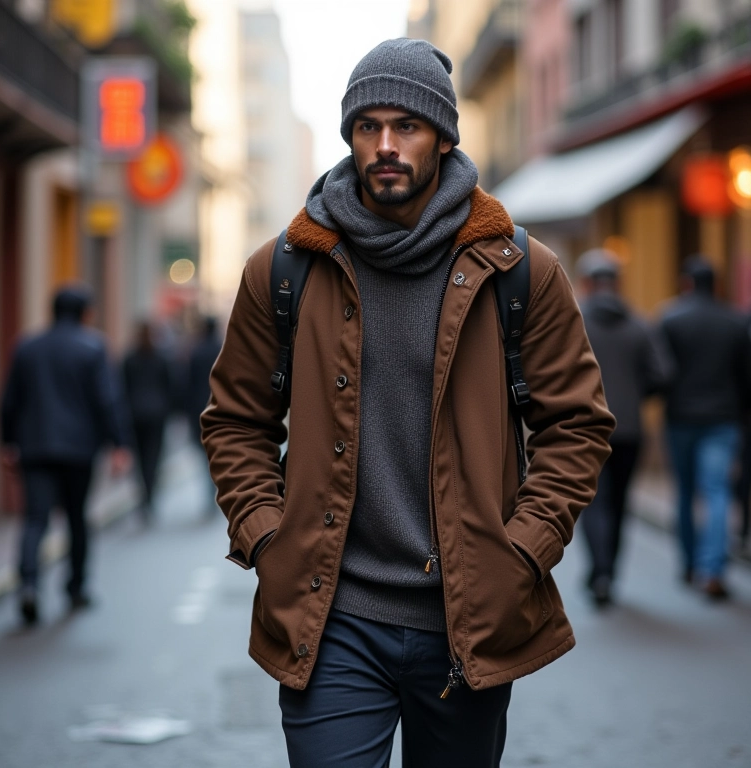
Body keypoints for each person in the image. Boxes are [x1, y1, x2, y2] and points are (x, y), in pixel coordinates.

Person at [202, 39, 614, 767]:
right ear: (350, 137)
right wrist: (270, 537)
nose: (385, 146)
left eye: (407, 126)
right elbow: (236, 419)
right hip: (329, 620)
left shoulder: (519, 270)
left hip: (468, 619)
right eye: (367, 127)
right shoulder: (285, 267)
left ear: (443, 136)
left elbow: (576, 426)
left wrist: (522, 551)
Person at [0, 285, 132, 625]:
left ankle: (28, 585)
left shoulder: (27, 347)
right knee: (77, 517)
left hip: (35, 447)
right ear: (85, 313)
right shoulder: (92, 347)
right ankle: (75, 587)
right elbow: (107, 400)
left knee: (34, 519)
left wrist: (8, 442)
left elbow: (9, 400)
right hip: (78, 448)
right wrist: (119, 444)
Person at [659, 256, 751, 599]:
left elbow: (660, 372)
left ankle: (689, 563)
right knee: (717, 492)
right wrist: (742, 414)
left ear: (687, 282)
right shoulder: (735, 322)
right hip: (723, 418)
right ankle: (712, 569)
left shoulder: (670, 319)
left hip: (681, 418)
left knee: (686, 492)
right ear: (715, 284)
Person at [577, 250, 671, 606]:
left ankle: (599, 571)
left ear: (587, 283)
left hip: (585, 428)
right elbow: (662, 375)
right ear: (616, 283)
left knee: (592, 501)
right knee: (618, 503)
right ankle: (610, 572)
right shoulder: (639, 324)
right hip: (630, 429)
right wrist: (633, 396)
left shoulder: (575, 320)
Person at [122, 320, 173, 523]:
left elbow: (122, 387)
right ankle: (149, 498)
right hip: (156, 415)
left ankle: (144, 496)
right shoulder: (161, 358)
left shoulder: (129, 359)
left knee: (140, 458)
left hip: (135, 414)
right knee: (154, 458)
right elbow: (171, 386)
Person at [185, 315, 222, 515]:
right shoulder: (223, 349)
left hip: (199, 408)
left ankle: (210, 492)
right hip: (220, 406)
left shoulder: (196, 351)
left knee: (204, 454)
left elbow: (188, 383)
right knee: (217, 451)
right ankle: (216, 489)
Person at [737, 289, 751, 547]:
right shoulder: (742, 323)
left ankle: (743, 526)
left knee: (745, 471)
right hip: (748, 413)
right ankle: (742, 525)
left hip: (749, 414)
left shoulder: (744, 323)